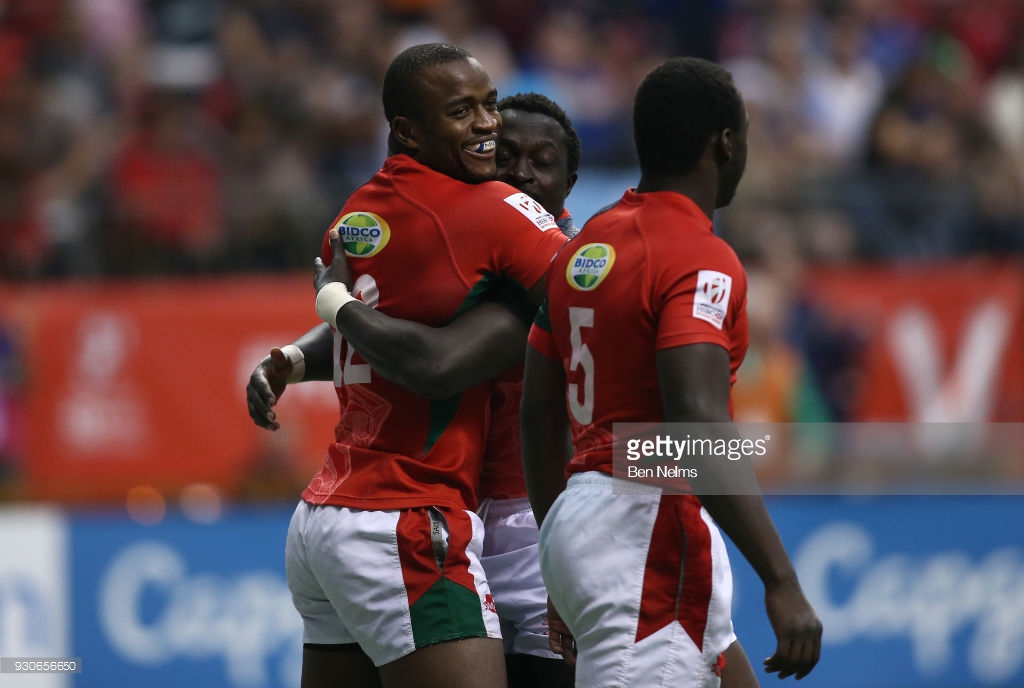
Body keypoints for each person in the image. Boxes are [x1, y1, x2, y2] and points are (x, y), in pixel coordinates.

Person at [248, 43, 568, 688]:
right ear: (408, 130)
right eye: (464, 113)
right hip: (418, 516)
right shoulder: (495, 218)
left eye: (489, 107)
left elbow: (395, 324)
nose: (490, 133)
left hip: (335, 516)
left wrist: (319, 329)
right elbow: (441, 358)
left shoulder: (356, 214)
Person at [520, 56, 823, 687]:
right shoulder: (699, 256)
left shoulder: (587, 246)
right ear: (727, 142)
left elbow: (539, 411)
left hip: (583, 515)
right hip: (645, 523)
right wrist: (782, 581)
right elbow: (695, 425)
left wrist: (560, 554)